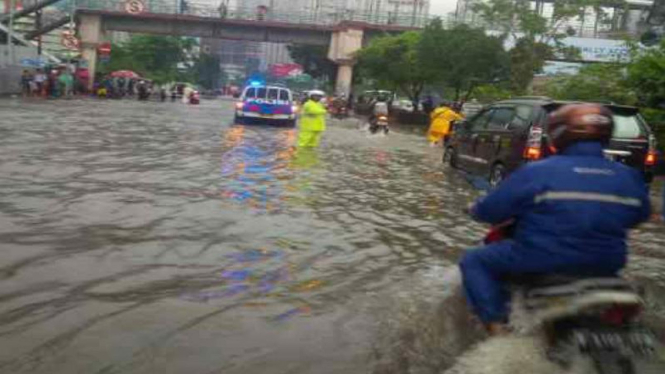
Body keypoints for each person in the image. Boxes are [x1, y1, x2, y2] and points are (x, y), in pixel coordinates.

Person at [459, 103, 651, 336]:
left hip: (540, 258)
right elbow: (639, 216)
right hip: (607, 264)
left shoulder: (536, 172)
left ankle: (498, 327)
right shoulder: (629, 176)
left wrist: (474, 209)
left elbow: (490, 211)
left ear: (558, 134)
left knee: (474, 260)